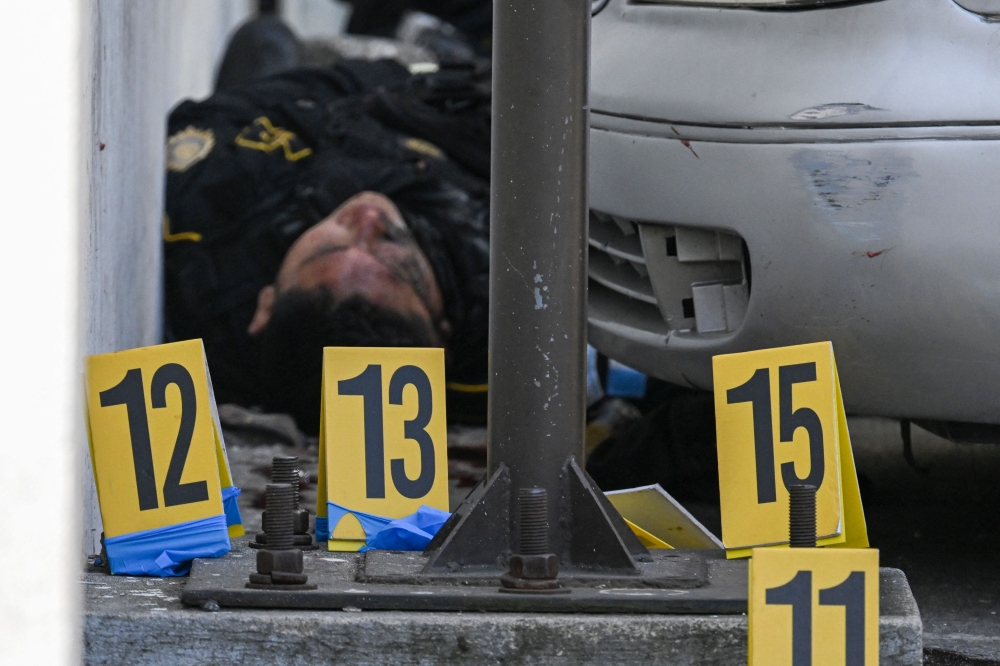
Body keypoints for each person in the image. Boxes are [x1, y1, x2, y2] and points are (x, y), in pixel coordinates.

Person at [164, 32, 491, 434]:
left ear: (264, 305)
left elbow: (218, 114)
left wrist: (374, 88)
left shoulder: (213, 247)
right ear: (443, 332)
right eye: (396, 256)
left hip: (316, 138)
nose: (368, 218)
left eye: (329, 247)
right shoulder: (500, 321)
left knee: (265, 43)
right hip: (449, 149)